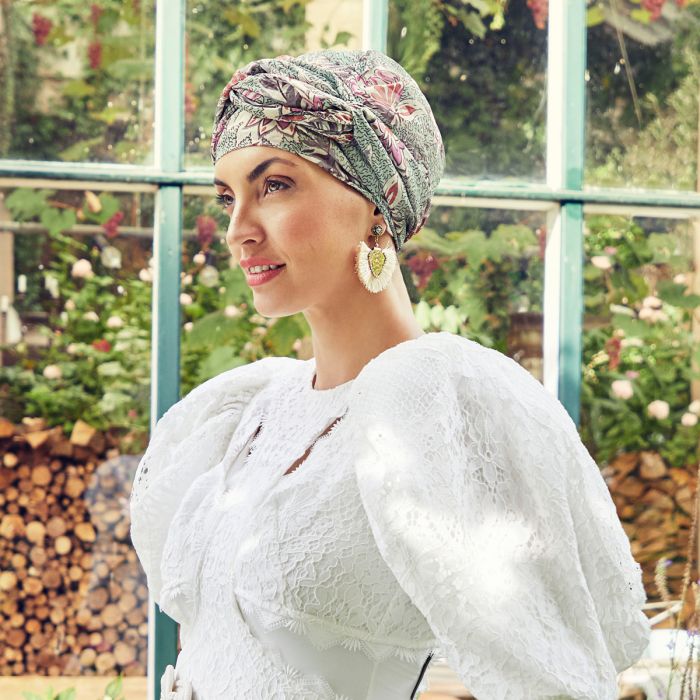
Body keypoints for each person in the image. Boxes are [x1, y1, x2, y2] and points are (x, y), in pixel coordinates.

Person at [129, 48, 651, 700]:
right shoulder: (254, 407)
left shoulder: (434, 398)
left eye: (275, 185)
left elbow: (552, 679)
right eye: (229, 196)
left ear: (376, 203)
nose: (238, 230)